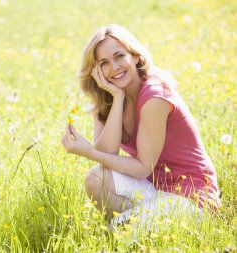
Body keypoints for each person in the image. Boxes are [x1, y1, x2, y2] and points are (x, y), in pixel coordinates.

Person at [61, 24, 220, 220]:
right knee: (97, 178)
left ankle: (127, 230)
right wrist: (117, 98)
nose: (114, 67)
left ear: (135, 56)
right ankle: (141, 226)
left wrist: (88, 152)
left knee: (120, 235)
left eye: (119, 56)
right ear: (96, 70)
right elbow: (107, 155)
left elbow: (144, 166)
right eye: (104, 62)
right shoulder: (109, 99)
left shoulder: (154, 96)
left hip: (191, 196)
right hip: (153, 189)